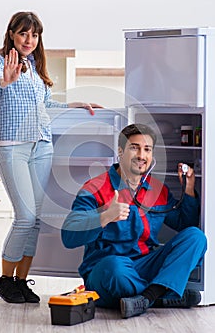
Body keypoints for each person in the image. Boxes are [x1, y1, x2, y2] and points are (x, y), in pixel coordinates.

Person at [0, 11, 102, 304]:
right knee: (24, 217)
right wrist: (6, 79)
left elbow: (46, 103)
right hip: (13, 146)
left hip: (42, 146)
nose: (29, 40)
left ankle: (21, 282)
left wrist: (76, 104)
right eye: (23, 33)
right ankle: (5, 281)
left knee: (36, 219)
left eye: (34, 35)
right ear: (12, 33)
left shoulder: (35, 68)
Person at [61, 123, 207, 318]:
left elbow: (183, 224)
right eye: (134, 147)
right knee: (114, 268)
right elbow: (68, 236)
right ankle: (163, 293)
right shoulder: (95, 187)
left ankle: (146, 298)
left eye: (147, 149)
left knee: (195, 237)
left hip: (145, 265)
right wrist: (104, 216)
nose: (141, 155)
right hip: (107, 268)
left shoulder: (157, 190)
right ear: (120, 152)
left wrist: (189, 189)